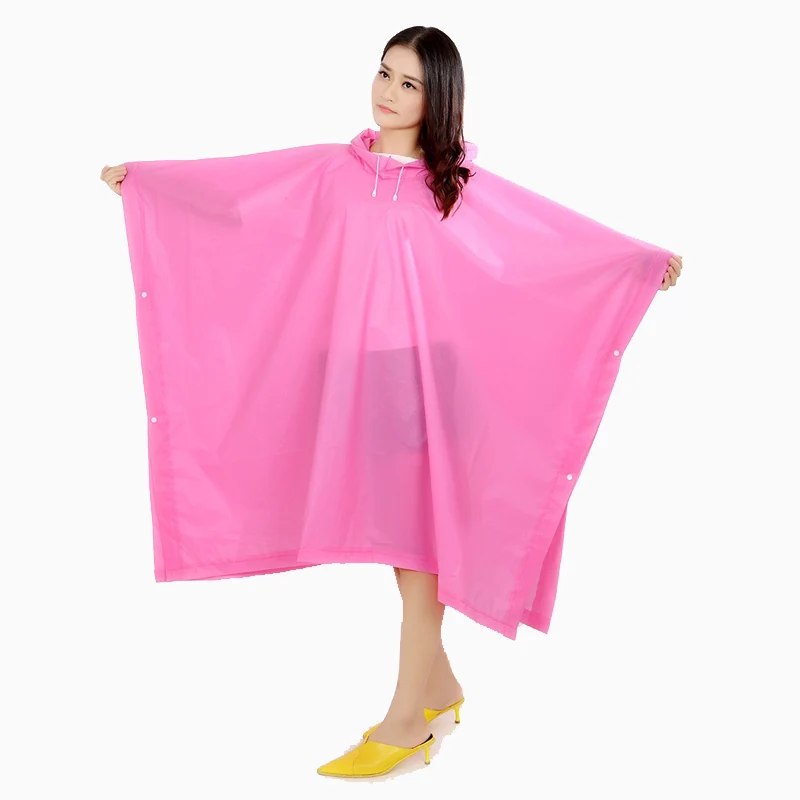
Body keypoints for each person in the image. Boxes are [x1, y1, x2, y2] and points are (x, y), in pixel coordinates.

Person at [100, 26, 682, 780]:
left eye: (410, 83)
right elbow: (244, 196)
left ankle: (408, 720)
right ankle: (439, 688)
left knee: (417, 551)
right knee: (397, 545)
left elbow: (542, 243)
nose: (389, 92)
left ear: (438, 98)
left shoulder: (455, 187)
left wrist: (635, 266)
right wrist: (149, 186)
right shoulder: (330, 171)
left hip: (428, 381)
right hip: (351, 378)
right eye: (384, 73)